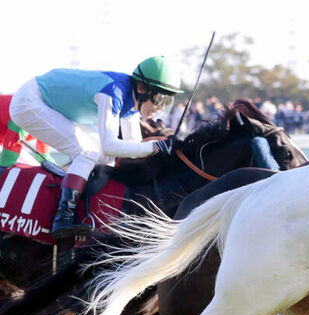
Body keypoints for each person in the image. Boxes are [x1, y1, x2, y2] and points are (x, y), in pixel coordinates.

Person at [9, 56, 182, 239]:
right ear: (141, 89)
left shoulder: (132, 103)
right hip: (29, 101)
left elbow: (132, 148)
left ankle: (84, 201)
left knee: (103, 158)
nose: (160, 107)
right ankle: (63, 217)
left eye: (166, 101)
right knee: (87, 153)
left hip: (55, 107)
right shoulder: (112, 93)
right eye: (158, 99)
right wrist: (156, 147)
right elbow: (110, 146)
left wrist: (163, 150)